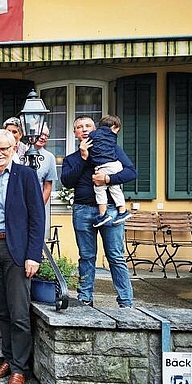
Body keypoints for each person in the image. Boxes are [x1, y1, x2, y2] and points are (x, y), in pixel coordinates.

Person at [0, 130, 45, 384]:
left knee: (19, 313)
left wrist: (33, 255)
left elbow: (37, 218)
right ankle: (8, 358)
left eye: (3, 149)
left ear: (14, 148)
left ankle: (19, 369)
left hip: (16, 250)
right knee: (2, 311)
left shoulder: (26, 176)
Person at [61, 116, 136, 309]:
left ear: (95, 130)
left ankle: (125, 301)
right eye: (79, 127)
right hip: (82, 210)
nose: (84, 130)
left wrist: (108, 179)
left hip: (110, 210)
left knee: (116, 256)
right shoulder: (72, 158)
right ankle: (85, 297)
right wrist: (84, 158)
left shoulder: (112, 150)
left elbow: (131, 172)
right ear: (75, 133)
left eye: (88, 126)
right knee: (86, 256)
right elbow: (67, 182)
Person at [88, 115, 132, 227]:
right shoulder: (112, 137)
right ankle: (122, 211)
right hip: (115, 164)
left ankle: (103, 214)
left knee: (99, 188)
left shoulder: (93, 135)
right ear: (114, 127)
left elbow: (89, 144)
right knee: (115, 188)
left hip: (104, 165)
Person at [33, 125, 58, 237]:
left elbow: (47, 187)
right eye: (41, 134)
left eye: (46, 135)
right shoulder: (20, 151)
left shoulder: (49, 157)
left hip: (36, 204)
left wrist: (38, 206)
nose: (43, 137)